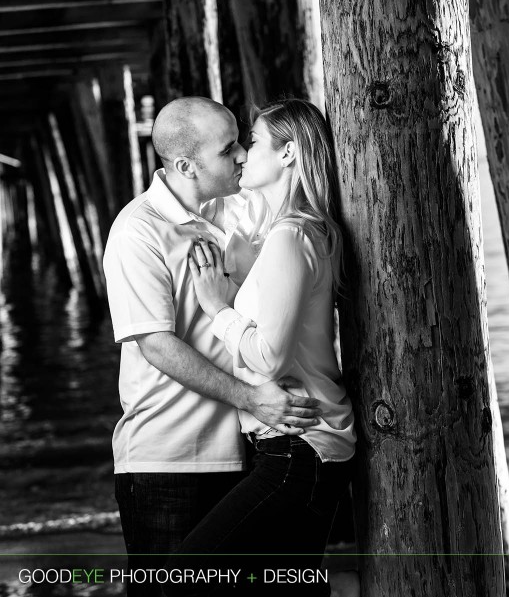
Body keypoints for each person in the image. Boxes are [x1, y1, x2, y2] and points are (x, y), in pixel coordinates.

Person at [102, 96, 322, 597]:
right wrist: (253, 397)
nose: (243, 154)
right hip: (167, 463)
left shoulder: (242, 205)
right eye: (228, 150)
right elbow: (155, 345)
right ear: (185, 165)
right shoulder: (137, 231)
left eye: (242, 141)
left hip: (251, 452)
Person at [165, 99, 356, 597]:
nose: (244, 155)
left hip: (300, 448)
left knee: (184, 574)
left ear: (289, 153)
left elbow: (269, 356)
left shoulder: (292, 236)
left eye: (252, 142)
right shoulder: (294, 233)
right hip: (300, 443)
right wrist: (247, 276)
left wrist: (216, 307)